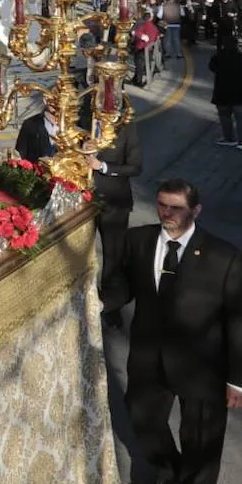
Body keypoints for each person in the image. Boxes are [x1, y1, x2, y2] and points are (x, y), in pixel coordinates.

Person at [102, 179, 242, 484]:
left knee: (201, 437)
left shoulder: (225, 257)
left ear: (196, 210)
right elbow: (124, 286)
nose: (167, 212)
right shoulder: (138, 241)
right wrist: (98, 302)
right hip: (149, 356)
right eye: (162, 205)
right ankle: (166, 471)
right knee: (142, 417)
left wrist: (241, 380)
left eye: (176, 207)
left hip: (203, 364)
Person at [85, 115, 143, 328]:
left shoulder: (127, 128)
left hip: (114, 203)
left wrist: (102, 166)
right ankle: (85, 299)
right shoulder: (83, 119)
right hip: (83, 203)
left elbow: (135, 167)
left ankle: (111, 305)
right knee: (82, 254)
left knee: (113, 255)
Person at [209, 36, 242, 151]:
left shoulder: (218, 58)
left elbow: (212, 68)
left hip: (222, 94)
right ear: (237, 45)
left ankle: (229, 138)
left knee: (225, 118)